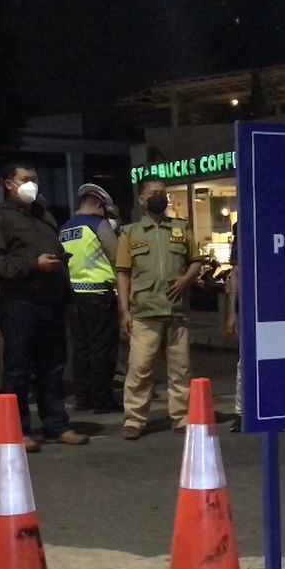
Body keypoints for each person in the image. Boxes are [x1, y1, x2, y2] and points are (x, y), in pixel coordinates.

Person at [0, 160, 87, 449]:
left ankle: (56, 425)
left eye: (35, 179)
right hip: (19, 303)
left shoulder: (43, 216)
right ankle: (19, 430)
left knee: (53, 367)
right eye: (26, 179)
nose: (32, 185)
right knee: (17, 370)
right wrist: (34, 265)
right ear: (9, 184)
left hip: (50, 301)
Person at [115, 177, 202, 440]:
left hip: (176, 311)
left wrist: (186, 280)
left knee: (181, 369)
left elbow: (196, 262)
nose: (159, 197)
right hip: (144, 311)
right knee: (140, 368)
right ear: (142, 199)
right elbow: (123, 273)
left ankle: (182, 417)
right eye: (153, 193)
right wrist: (125, 311)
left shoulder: (182, 228)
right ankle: (134, 419)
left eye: (162, 193)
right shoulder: (130, 233)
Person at [59, 183, 121, 413]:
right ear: (97, 205)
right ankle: (102, 399)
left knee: (80, 349)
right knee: (102, 349)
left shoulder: (65, 228)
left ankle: (82, 397)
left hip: (73, 297)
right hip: (98, 294)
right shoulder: (98, 225)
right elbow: (118, 257)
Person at [224, 221, 242, 432]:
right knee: (246, 361)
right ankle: (242, 412)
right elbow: (236, 273)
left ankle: (273, 409)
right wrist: (232, 312)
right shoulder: (243, 226)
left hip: (274, 304)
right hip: (250, 305)